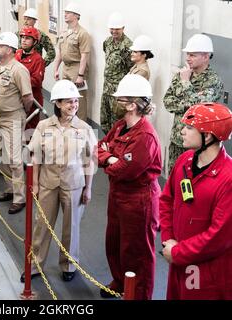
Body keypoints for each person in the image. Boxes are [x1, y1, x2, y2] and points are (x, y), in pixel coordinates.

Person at [21, 79, 97, 282]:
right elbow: (36, 156)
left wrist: (88, 188)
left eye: (76, 101)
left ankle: (69, 264)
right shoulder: (44, 126)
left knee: (71, 227)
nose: (74, 105)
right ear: (58, 104)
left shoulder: (84, 129)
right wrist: (35, 184)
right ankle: (35, 263)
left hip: (74, 184)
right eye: (69, 102)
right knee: (42, 225)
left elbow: (90, 161)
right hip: (48, 182)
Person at [98, 74, 162, 299]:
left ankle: (139, 294)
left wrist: (110, 160)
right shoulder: (120, 126)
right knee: (114, 243)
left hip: (138, 200)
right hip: (117, 195)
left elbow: (127, 170)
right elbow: (100, 148)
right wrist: (111, 158)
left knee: (137, 252)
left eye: (120, 100)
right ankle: (120, 281)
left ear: (132, 105)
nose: (115, 103)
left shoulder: (145, 136)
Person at [160, 102, 232, 300]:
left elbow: (218, 237)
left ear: (207, 135)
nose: (182, 131)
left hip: (205, 271)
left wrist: (178, 252)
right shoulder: (185, 161)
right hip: (178, 258)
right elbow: (166, 200)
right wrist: (168, 240)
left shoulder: (228, 178)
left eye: (189, 128)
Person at [163, 34, 223, 173]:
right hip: (177, 139)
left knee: (191, 183)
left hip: (197, 144)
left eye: (192, 55)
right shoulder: (182, 74)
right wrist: (187, 104)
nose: (187, 58)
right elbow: (167, 101)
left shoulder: (213, 81)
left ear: (206, 56)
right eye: (187, 54)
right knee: (174, 178)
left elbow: (198, 109)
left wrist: (185, 83)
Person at [0, 32, 34, 214]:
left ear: (9, 50)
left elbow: (28, 98)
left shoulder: (19, 70)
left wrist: (20, 112)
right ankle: (10, 188)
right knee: (3, 156)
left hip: (13, 117)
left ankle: (19, 198)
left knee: (15, 160)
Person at [54, 3, 90, 122]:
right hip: (66, 68)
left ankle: (81, 126)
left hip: (77, 68)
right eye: (65, 12)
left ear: (76, 15)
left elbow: (84, 56)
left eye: (68, 13)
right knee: (66, 97)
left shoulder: (82, 33)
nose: (65, 14)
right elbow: (59, 53)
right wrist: (56, 69)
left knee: (79, 99)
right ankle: (68, 123)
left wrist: (80, 76)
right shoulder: (64, 32)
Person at [100, 12, 133, 133]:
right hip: (106, 88)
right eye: (112, 28)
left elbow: (131, 69)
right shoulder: (107, 42)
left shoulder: (128, 46)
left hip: (118, 91)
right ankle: (107, 144)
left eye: (117, 29)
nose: (114, 31)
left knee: (117, 122)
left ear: (123, 28)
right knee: (104, 120)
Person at [16, 26, 45, 130]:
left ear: (34, 42)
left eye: (28, 38)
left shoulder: (38, 60)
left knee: (29, 129)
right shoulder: (17, 54)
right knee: (17, 127)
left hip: (32, 100)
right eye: (23, 37)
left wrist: (17, 80)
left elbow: (37, 81)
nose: (24, 40)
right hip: (18, 98)